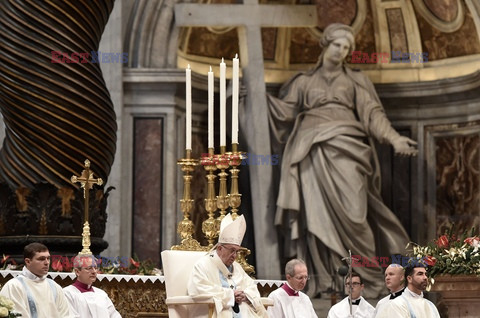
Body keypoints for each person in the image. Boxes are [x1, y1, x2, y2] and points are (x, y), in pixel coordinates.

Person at [267, 22, 417, 298]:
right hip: (310, 151)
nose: (342, 51)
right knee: (315, 216)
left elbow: (373, 115)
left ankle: (366, 278)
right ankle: (325, 280)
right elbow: (282, 112)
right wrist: (251, 96)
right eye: (337, 44)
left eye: (347, 47)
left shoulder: (355, 80)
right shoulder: (303, 82)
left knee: (356, 215)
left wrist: (395, 139)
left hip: (349, 149)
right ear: (325, 45)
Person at [187, 213, 268, 317]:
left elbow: (251, 286)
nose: (234, 256)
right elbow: (198, 290)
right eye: (232, 250)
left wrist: (245, 295)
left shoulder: (237, 268)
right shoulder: (203, 265)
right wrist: (230, 296)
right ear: (220, 248)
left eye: (237, 251)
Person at [0, 242, 73, 317]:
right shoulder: (14, 286)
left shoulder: (54, 287)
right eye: (41, 259)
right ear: (28, 261)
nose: (47, 262)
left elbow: (65, 314)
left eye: (48, 258)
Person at [375, 265, 440, 318]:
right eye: (420, 274)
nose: (425, 277)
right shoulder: (397, 304)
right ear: (409, 279)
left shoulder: (431, 305)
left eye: (426, 274)